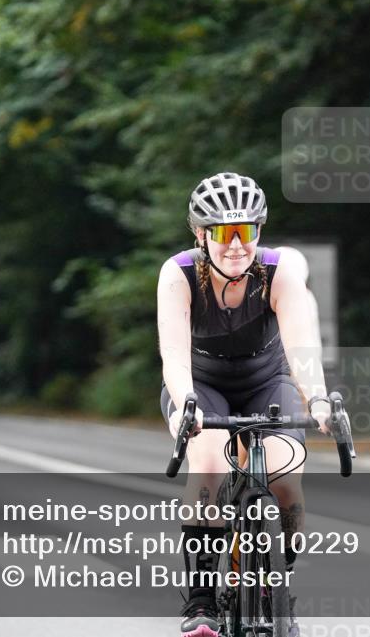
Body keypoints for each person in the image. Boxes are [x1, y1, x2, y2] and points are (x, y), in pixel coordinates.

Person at [157, 172, 331, 637]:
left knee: (284, 477)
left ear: (260, 231)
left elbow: (302, 349)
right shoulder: (178, 274)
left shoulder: (278, 273)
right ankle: (200, 600)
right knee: (210, 464)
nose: (236, 245)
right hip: (200, 384)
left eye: (246, 231)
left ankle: (278, 575)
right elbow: (173, 355)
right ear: (200, 234)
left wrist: (317, 398)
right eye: (222, 234)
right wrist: (187, 404)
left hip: (266, 380)